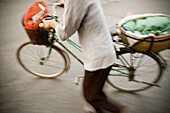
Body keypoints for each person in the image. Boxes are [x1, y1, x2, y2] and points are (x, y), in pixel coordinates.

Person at [42, 0, 130, 113]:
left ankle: (121, 110)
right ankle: (97, 110)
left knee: (91, 96)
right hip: (102, 47)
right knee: (95, 91)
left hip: (98, 55)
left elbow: (64, 33)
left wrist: (51, 24)